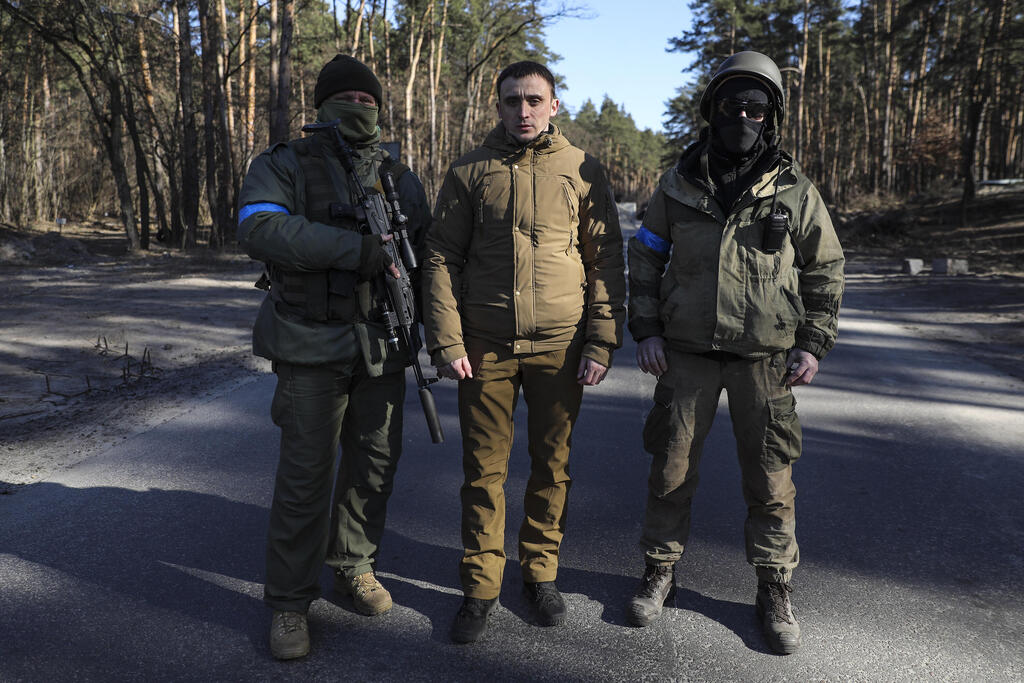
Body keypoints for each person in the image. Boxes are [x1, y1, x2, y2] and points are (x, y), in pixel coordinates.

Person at [624, 51, 845, 655]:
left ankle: (774, 586)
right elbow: (644, 255)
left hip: (766, 360)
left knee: (772, 482)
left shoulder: (795, 190)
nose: (741, 118)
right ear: (711, 111)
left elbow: (825, 267)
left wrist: (814, 341)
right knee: (669, 473)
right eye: (731, 107)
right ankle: (659, 571)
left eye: (754, 108)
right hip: (686, 354)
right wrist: (644, 327)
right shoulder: (678, 183)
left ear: (770, 116)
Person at [422, 60, 626, 643]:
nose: (524, 110)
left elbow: (605, 260)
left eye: (534, 99)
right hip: (485, 347)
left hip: (559, 347)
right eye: (512, 100)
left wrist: (601, 339)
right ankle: (481, 585)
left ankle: (540, 571)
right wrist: (448, 339)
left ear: (555, 105)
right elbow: (441, 259)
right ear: (499, 106)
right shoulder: (470, 171)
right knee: (483, 472)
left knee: (551, 466)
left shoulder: (583, 170)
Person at [237, 54, 431, 660]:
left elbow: (429, 259)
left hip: (383, 347)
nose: (359, 106)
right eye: (345, 97)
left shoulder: (399, 178)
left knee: (374, 467)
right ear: (320, 106)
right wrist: (357, 250)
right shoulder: (284, 164)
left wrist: (437, 332)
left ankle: (353, 564)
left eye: (368, 98)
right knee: (305, 479)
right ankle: (290, 603)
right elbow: (259, 229)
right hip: (310, 346)